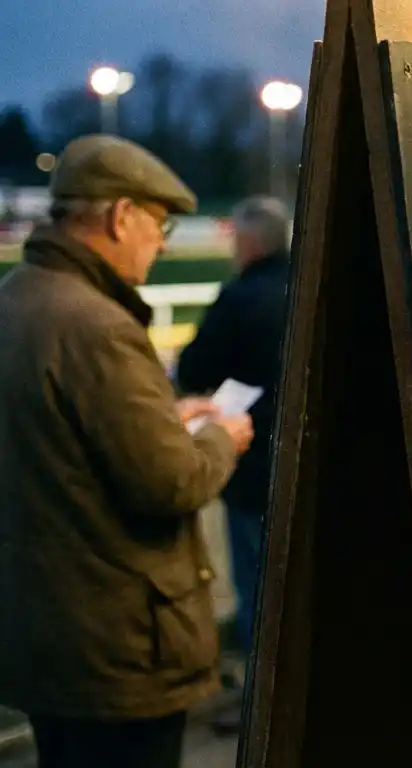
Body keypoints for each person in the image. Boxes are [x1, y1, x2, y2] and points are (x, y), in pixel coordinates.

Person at [0, 135, 253, 768]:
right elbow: (172, 482)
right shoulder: (100, 326)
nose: (162, 242)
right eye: (158, 224)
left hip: (42, 631)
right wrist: (223, 435)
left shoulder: (18, 298)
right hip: (116, 648)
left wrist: (161, 417)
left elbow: (59, 436)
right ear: (121, 216)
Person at [176, 196, 292, 734]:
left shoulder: (239, 297)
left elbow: (195, 368)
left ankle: (260, 705)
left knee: (258, 589)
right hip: (297, 463)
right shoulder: (306, 286)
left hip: (249, 470)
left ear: (246, 244)